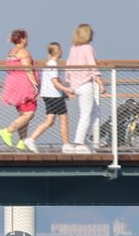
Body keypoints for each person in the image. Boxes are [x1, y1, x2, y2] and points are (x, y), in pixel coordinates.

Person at [26, 41, 72, 151]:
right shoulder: (53, 64)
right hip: (54, 95)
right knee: (63, 119)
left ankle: (31, 139)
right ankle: (66, 145)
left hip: (47, 95)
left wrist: (64, 89)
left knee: (50, 121)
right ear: (58, 51)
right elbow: (55, 82)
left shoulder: (48, 64)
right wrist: (67, 90)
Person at [0, 31, 38, 149]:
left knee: (24, 113)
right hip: (23, 86)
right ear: (23, 39)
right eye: (27, 38)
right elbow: (28, 70)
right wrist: (35, 84)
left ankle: (22, 141)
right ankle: (8, 131)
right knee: (29, 113)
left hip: (14, 84)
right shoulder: (23, 52)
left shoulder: (11, 52)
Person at [63, 22, 99, 153]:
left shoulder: (73, 48)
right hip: (85, 84)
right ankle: (80, 142)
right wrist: (99, 80)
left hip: (76, 85)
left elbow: (68, 65)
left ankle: (84, 139)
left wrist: (68, 82)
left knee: (95, 112)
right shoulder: (87, 48)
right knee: (86, 114)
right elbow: (92, 65)